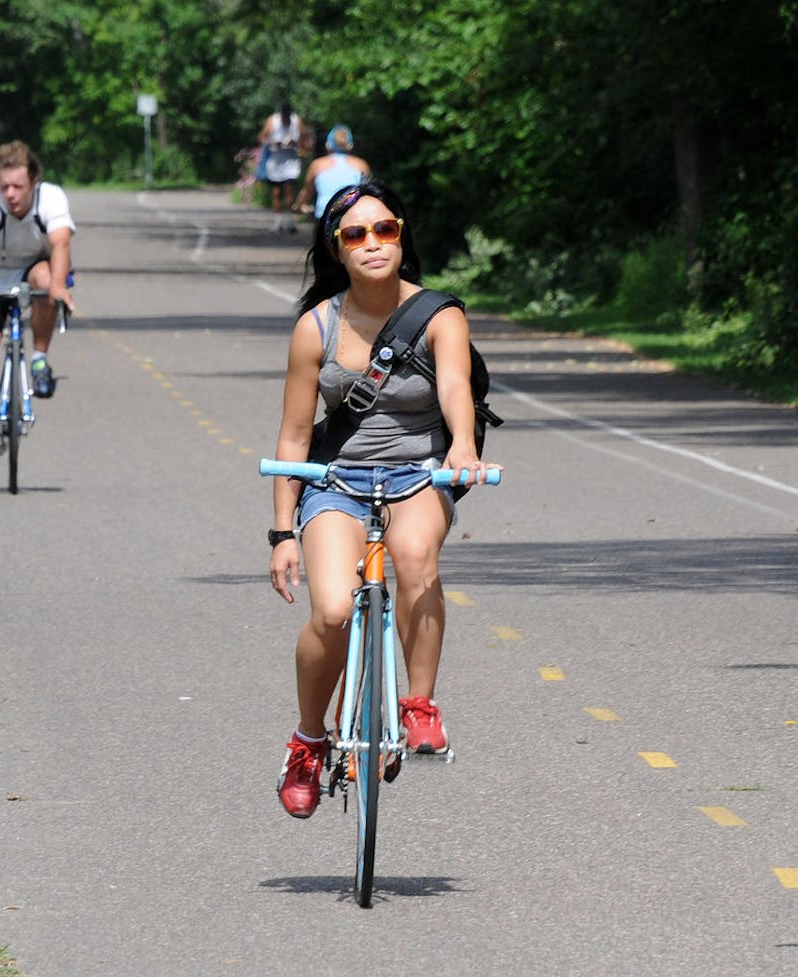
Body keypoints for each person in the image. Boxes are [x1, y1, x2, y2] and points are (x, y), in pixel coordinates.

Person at [266, 182, 495, 819]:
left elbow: (455, 388)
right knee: (334, 610)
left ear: (401, 235)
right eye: (356, 234)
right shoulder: (315, 327)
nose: (373, 243)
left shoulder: (440, 315)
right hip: (336, 480)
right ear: (336, 249)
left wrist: (463, 447)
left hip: (419, 474)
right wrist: (282, 532)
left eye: (385, 229)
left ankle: (419, 705)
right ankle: (309, 740)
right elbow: (293, 434)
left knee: (415, 556)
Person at [0, 141, 75, 473]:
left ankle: (39, 359)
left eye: (18, 187)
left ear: (34, 181)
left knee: (46, 281)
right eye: (4, 186)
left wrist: (59, 286)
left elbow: (61, 242)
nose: (10, 194)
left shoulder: (50, 198)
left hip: (32, 268)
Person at [296, 125, 371, 220]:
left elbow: (306, 192)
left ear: (328, 145)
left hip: (325, 215)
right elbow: (368, 192)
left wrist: (299, 206)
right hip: (353, 215)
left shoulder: (317, 164)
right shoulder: (361, 165)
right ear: (351, 145)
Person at [255, 104, 308, 233]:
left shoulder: (297, 121)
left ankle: (290, 221)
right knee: (276, 192)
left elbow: (304, 139)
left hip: (291, 162)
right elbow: (262, 137)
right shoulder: (273, 121)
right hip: (276, 161)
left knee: (290, 191)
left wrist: (296, 144)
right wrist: (271, 143)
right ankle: (277, 221)